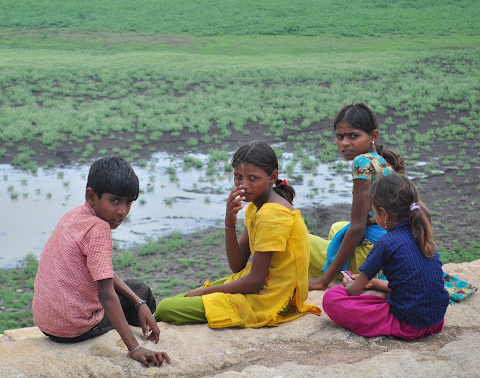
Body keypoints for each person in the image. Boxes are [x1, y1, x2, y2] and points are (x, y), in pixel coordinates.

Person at [154, 140, 320, 328]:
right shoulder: (256, 208)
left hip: (272, 300)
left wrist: (204, 294)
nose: (243, 185)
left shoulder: (272, 214)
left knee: (166, 308)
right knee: (179, 298)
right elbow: (237, 265)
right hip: (260, 286)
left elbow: (256, 282)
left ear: (273, 176)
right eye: (238, 177)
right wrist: (229, 223)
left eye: (253, 178)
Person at [32, 156, 170, 367]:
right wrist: (134, 348)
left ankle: (140, 314)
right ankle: (144, 335)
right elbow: (106, 294)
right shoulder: (99, 229)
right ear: (91, 196)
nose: (122, 211)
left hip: (47, 324)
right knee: (141, 290)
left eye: (128, 203)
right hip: (74, 329)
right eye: (115, 201)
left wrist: (137, 302)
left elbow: (101, 270)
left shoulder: (73, 216)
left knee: (135, 294)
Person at [322, 173, 449, 340]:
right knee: (394, 291)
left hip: (407, 324)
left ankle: (390, 323)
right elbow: (412, 284)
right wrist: (374, 283)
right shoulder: (422, 234)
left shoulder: (386, 243)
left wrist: (349, 283)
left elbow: (353, 291)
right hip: (436, 320)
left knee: (332, 297)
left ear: (383, 213)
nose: (374, 216)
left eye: (374, 212)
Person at [308, 102, 407, 290]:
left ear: (373, 136)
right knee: (337, 227)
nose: (345, 143)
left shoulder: (362, 162)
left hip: (374, 256)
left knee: (299, 240)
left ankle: (324, 277)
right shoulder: (381, 161)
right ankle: (335, 267)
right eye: (340, 136)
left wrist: (324, 281)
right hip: (389, 242)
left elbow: (358, 228)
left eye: (353, 136)